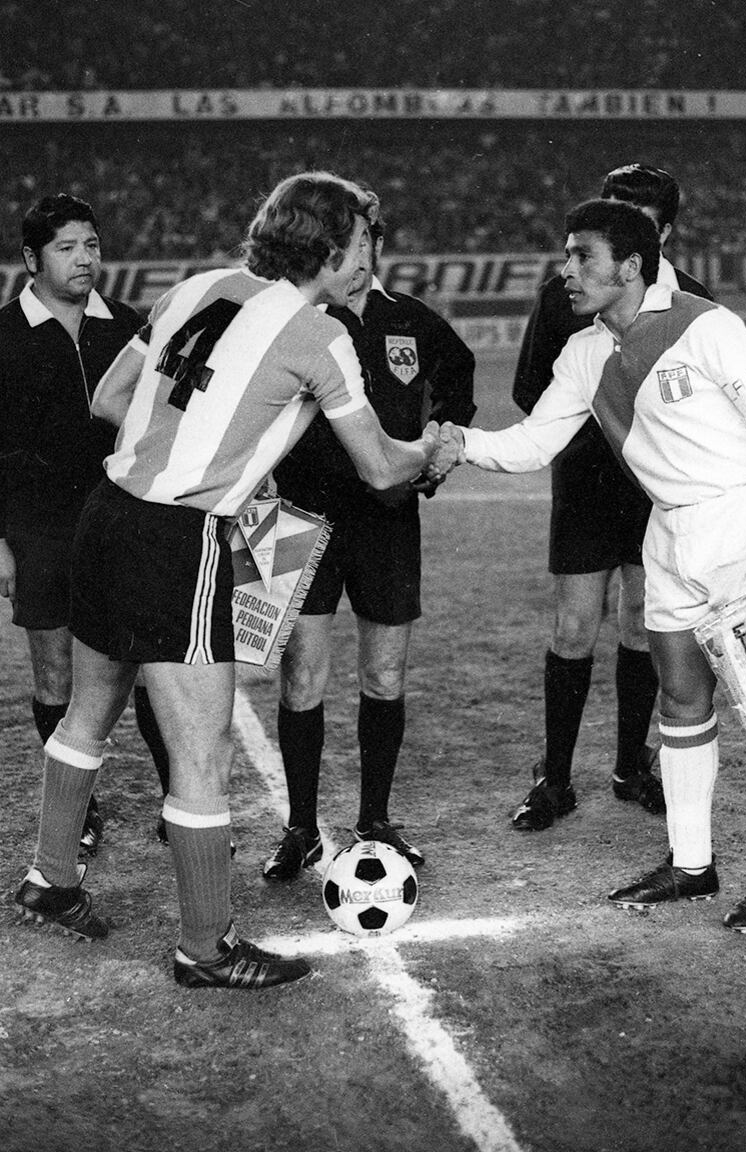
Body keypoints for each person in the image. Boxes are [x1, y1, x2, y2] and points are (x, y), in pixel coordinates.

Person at [13, 172, 440, 990]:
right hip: (181, 540)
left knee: (86, 716)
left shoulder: (196, 287)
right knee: (202, 752)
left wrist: (220, 446)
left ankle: (51, 879)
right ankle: (205, 949)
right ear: (324, 249)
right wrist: (434, 451)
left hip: (107, 515)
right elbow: (383, 467)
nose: (364, 264)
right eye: (357, 247)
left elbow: (109, 400)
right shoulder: (321, 334)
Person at [431, 198, 746, 933]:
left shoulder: (705, 324)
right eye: (567, 256)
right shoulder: (582, 352)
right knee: (680, 702)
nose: (566, 270)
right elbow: (535, 443)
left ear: (630, 266)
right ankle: (692, 864)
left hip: (741, 526)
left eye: (583, 257)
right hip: (668, 535)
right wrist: (461, 443)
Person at [261, 209, 476, 881]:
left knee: (385, 673)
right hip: (293, 518)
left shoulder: (410, 320)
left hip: (386, 519)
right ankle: (299, 828)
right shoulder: (290, 318)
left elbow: (460, 378)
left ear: (373, 245)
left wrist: (440, 441)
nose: (347, 253)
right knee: (300, 674)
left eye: (354, 240)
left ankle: (374, 819)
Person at [510, 165, 713, 832]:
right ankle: (556, 779)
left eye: (639, 219)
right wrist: (603, 423)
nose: (620, 226)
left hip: (656, 485)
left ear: (666, 231)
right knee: (574, 624)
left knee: (639, 622)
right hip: (588, 480)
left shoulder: (694, 300)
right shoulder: (563, 294)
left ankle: (632, 767)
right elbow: (530, 393)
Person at [0, 193, 163, 855]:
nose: (84, 259)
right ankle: (83, 807)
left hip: (126, 526)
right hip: (38, 531)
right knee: (56, 678)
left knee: (156, 668)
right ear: (32, 258)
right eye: (67, 247)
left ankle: (180, 796)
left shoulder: (127, 325)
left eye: (91, 245)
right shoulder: (3, 334)